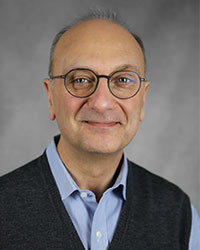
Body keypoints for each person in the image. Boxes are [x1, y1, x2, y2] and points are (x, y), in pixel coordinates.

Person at [0, 9, 199, 250]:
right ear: (50, 96)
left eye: (123, 80)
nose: (102, 102)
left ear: (143, 100)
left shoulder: (178, 214)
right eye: (80, 80)